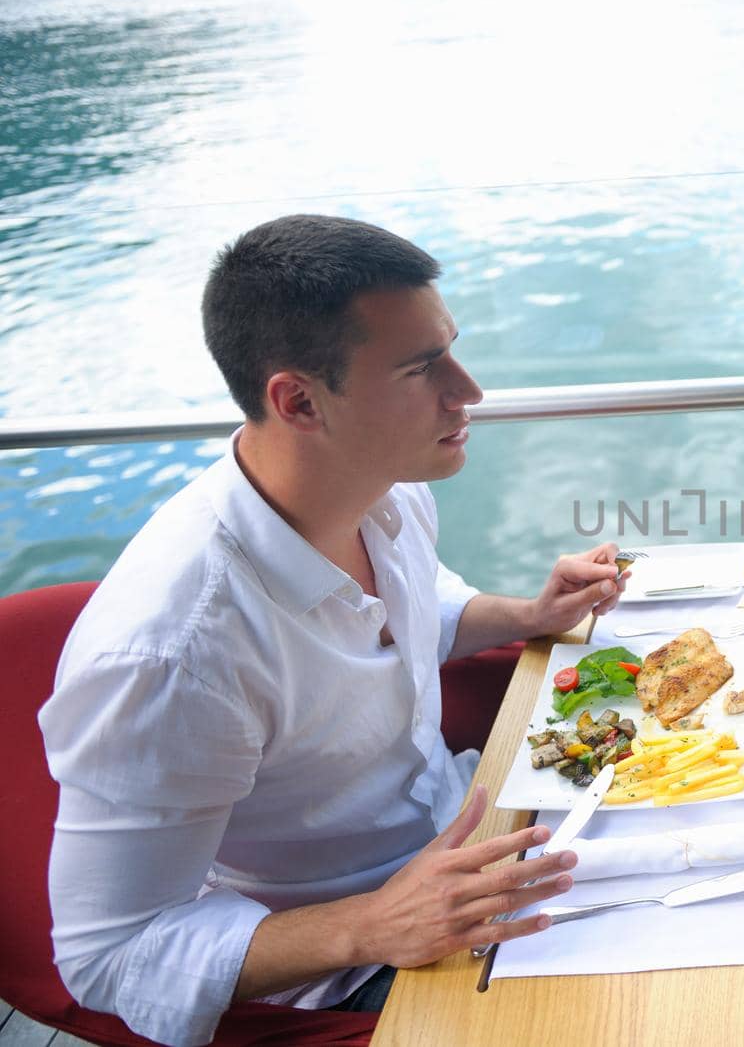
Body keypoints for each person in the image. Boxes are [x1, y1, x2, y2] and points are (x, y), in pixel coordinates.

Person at [40, 214, 630, 1046]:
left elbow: (418, 614)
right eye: (424, 368)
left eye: (451, 350)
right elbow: (108, 952)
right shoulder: (177, 651)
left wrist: (529, 616)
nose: (468, 390)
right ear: (300, 400)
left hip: (480, 824)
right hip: (363, 963)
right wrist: (371, 925)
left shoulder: (383, 491)